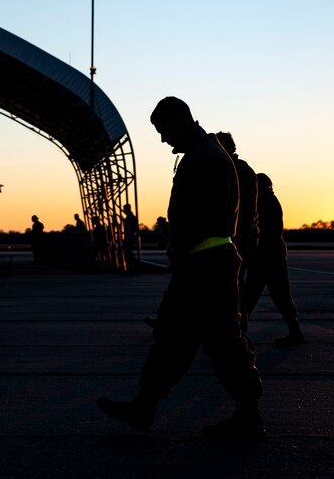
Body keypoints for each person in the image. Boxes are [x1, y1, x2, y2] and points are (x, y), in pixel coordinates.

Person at [97, 96, 264, 443]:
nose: (162, 139)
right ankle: (144, 405)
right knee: (174, 334)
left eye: (163, 130)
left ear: (180, 120)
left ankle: (248, 416)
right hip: (201, 263)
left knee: (222, 341)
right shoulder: (202, 154)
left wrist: (180, 243)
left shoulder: (205, 158)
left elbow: (205, 217)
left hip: (207, 266)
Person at [240, 173, 302, 346]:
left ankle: (238, 334)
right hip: (270, 255)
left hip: (267, 256)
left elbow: (266, 232)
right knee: (279, 296)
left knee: (252, 296)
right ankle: (294, 331)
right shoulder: (267, 202)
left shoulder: (266, 204)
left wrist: (253, 250)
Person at [215, 132, 259, 269]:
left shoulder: (237, 170)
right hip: (238, 233)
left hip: (237, 234)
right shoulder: (241, 169)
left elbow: (247, 208)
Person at [122, 204, 140, 270]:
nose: (123, 211)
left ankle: (132, 265)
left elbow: (132, 228)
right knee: (128, 252)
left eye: (124, 209)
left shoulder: (131, 217)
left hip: (130, 237)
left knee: (128, 252)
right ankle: (133, 265)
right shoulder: (130, 217)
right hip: (129, 237)